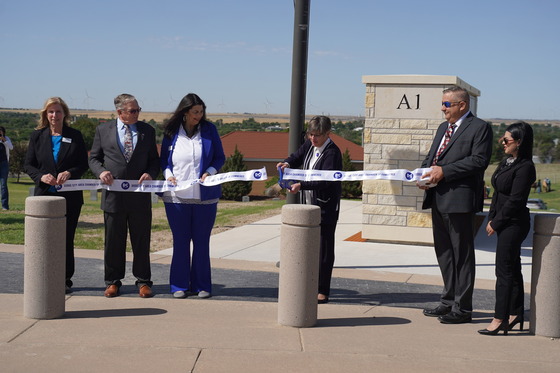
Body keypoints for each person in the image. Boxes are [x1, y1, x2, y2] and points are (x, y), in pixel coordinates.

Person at [418, 86, 493, 324]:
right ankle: (448, 301)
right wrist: (422, 174)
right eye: (442, 103)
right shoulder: (443, 128)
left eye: (447, 104)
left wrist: (445, 172)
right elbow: (433, 157)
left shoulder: (480, 128)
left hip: (459, 201)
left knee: (462, 255)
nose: (443, 108)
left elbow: (479, 161)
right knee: (445, 253)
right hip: (438, 198)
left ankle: (463, 308)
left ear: (462, 105)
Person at [89, 93, 160, 298]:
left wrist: (151, 173)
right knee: (113, 242)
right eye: (132, 110)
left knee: (141, 241)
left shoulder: (147, 130)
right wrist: (101, 172)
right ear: (120, 112)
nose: (137, 113)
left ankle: (144, 281)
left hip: (139, 198)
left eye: (138, 109)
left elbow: (154, 161)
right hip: (113, 197)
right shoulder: (103, 130)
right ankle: (113, 282)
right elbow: (94, 159)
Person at [160, 93, 225, 299]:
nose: (199, 115)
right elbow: (164, 161)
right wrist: (169, 175)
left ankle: (202, 285)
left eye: (201, 111)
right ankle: (178, 285)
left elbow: (219, 157)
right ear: (185, 112)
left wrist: (211, 172)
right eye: (195, 112)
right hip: (176, 197)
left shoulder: (209, 130)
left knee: (201, 241)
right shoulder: (171, 132)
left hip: (204, 197)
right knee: (180, 241)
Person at [24, 97, 88, 293]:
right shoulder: (37, 136)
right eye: (50, 112)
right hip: (44, 197)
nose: (54, 115)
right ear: (45, 114)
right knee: (44, 240)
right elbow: (28, 165)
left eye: (58, 111)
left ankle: (65, 279)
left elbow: (83, 164)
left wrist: (70, 173)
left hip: (70, 197)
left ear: (65, 114)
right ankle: (43, 277)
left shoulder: (75, 135)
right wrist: (41, 177)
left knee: (66, 239)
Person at [277, 115, 342, 304]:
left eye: (318, 135)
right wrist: (287, 163)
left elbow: (325, 181)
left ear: (328, 134)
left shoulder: (332, 153)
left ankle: (322, 290)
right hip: (307, 205)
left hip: (325, 208)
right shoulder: (309, 144)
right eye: (310, 134)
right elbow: (297, 156)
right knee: (308, 247)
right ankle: (308, 284)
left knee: (324, 250)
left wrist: (301, 185)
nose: (313, 139)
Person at [479, 122, 536, 335]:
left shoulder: (526, 167)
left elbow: (516, 200)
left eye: (507, 140)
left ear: (519, 142)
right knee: (512, 268)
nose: (502, 142)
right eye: (503, 139)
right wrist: (491, 217)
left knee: (503, 270)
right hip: (503, 221)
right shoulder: (506, 162)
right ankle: (515, 313)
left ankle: (499, 318)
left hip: (514, 223)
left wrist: (497, 222)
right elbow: (498, 194)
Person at [0, 126, 13, 210]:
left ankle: (5, 206)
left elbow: (11, 147)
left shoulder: (6, 139)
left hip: (4, 164)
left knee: (3, 185)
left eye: (1, 131)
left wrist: (4, 140)